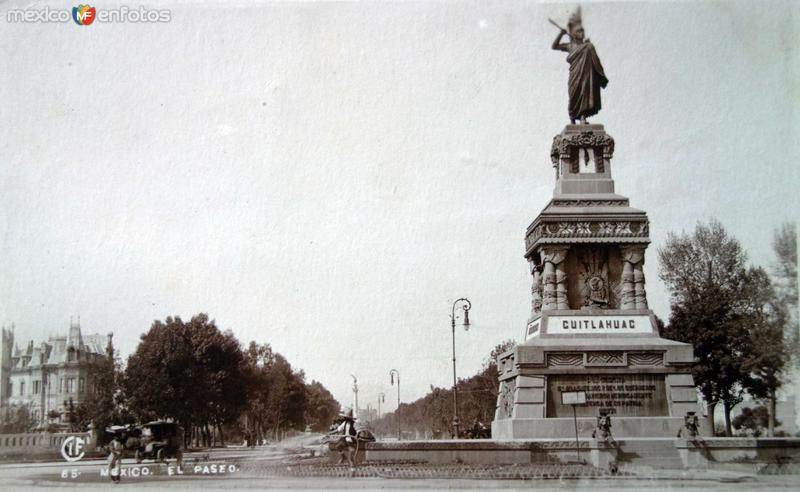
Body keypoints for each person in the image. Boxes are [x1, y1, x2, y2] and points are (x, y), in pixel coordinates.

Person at [551, 8, 608, 125]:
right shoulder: (570, 46)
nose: (582, 33)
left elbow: (595, 61)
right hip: (575, 75)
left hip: (586, 76)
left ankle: (582, 116)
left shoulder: (588, 46)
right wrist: (561, 34)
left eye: (583, 31)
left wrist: (600, 76)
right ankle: (572, 117)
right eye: (579, 31)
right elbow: (554, 46)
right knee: (573, 96)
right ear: (574, 34)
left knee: (585, 92)